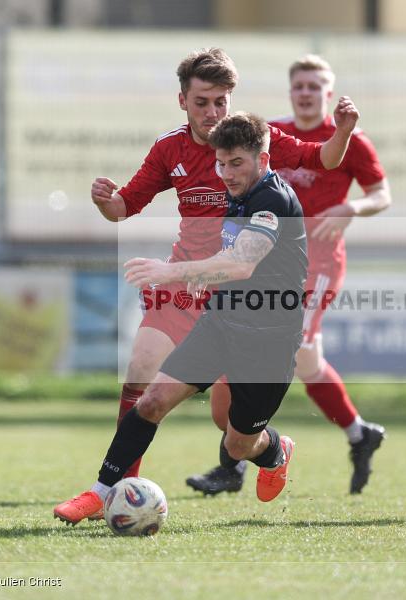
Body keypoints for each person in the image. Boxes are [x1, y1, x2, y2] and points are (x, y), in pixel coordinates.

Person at [63, 48, 359, 521]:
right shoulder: (171, 149)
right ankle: (107, 491)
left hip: (252, 313)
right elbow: (123, 207)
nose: (213, 112)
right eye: (202, 102)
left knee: (234, 434)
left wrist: (341, 132)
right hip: (190, 294)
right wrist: (105, 202)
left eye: (221, 101)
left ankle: (272, 450)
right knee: (143, 380)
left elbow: (322, 161)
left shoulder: (257, 147)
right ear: (183, 100)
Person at [55, 112, 309, 524]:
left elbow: (243, 263)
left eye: (236, 164)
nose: (225, 173)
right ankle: (101, 492)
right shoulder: (239, 190)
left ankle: (276, 451)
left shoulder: (272, 200)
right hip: (222, 324)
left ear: (263, 159)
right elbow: (230, 258)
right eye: (221, 163)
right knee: (152, 400)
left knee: (239, 445)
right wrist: (205, 277)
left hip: (268, 344)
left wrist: (170, 272)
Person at [187, 55, 391, 496]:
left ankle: (238, 462)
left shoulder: (347, 139)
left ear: (329, 93)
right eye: (299, 85)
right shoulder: (269, 136)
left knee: (298, 351)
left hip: (317, 263)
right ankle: (355, 434)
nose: (306, 92)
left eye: (315, 86)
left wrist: (349, 207)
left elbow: (381, 194)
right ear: (290, 91)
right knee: (271, 361)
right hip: (261, 265)